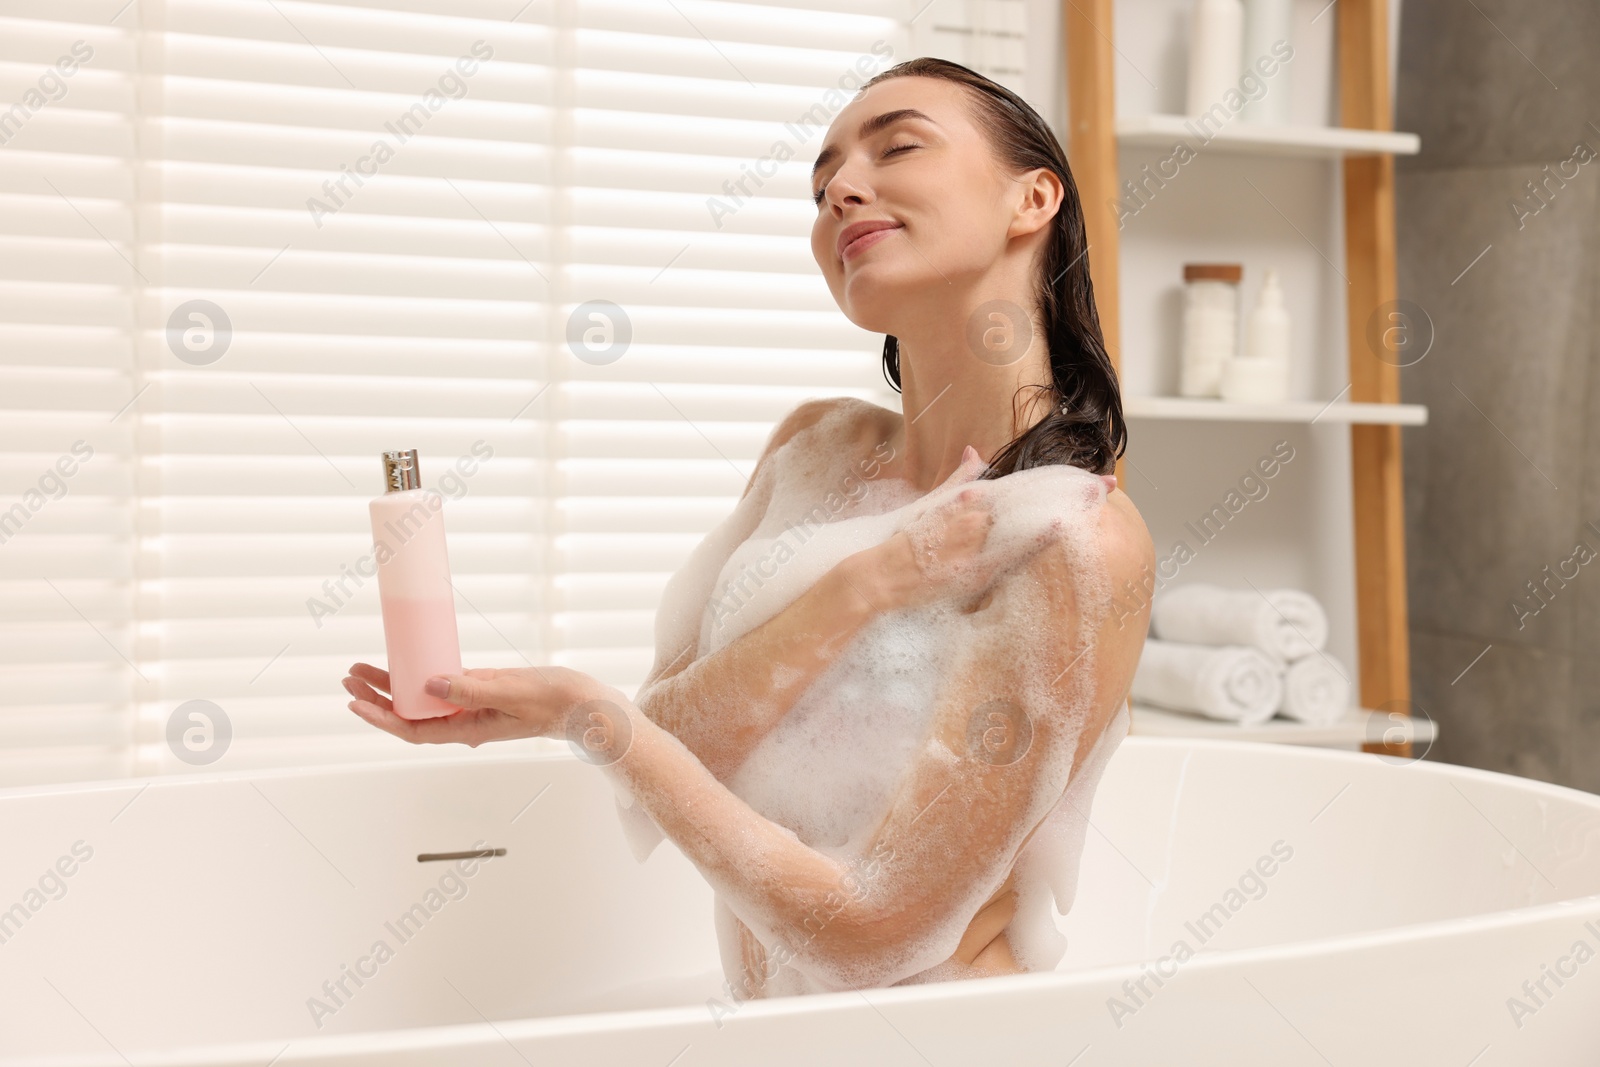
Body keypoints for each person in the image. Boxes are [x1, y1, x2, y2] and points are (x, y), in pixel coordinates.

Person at [343, 56, 1154, 999]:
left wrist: (583, 711)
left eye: (898, 146)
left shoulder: (1071, 541)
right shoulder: (813, 453)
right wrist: (865, 583)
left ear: (1034, 198)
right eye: (820, 186)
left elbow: (873, 933)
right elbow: (681, 741)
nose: (842, 190)